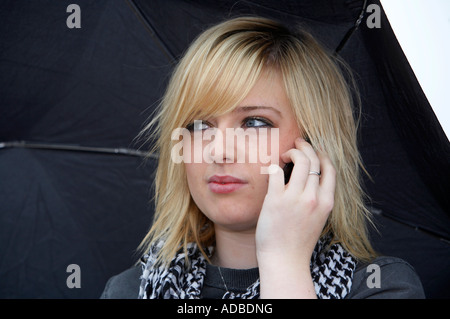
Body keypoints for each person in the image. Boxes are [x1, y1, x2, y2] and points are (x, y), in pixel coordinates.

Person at [101, 16, 424, 299]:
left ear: (312, 146)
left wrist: (284, 263)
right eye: (199, 125)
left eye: (255, 122)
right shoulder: (130, 291)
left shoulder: (380, 286)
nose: (219, 150)